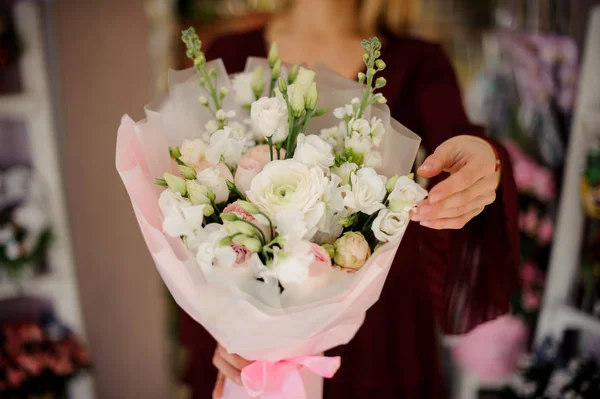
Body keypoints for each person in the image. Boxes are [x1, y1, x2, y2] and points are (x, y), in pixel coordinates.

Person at [178, 0, 520, 397]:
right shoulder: (229, 55)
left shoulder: (417, 62)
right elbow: (193, 204)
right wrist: (225, 325)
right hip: (253, 344)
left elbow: (458, 142)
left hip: (380, 335)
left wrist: (485, 159)